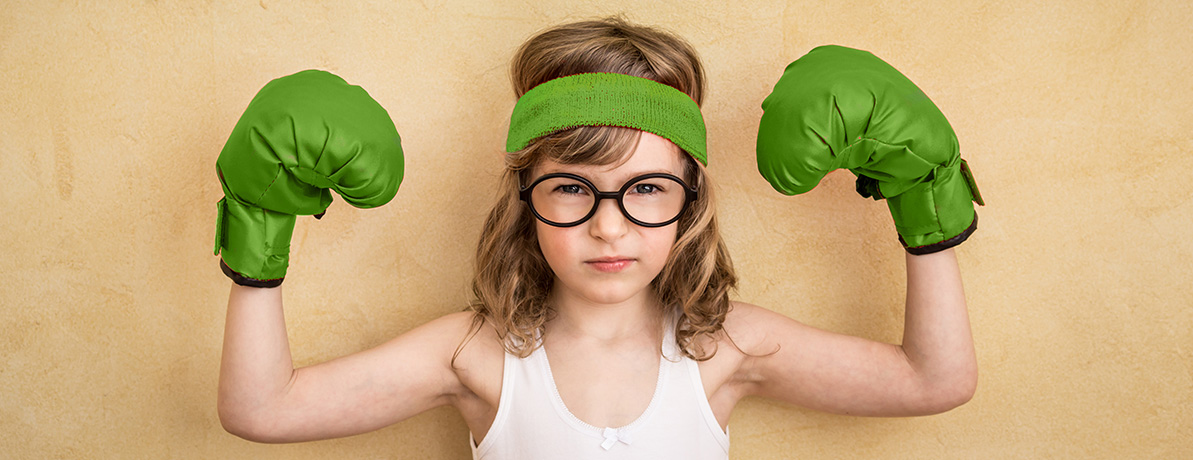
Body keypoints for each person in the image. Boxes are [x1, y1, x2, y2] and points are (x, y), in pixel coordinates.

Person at [215, 15, 979, 459]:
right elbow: (264, 410)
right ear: (524, 199)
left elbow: (932, 381)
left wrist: (925, 202)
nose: (608, 224)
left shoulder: (723, 347)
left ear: (689, 201)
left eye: (646, 189)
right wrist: (260, 228)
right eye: (572, 190)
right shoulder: (474, 352)